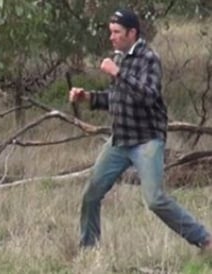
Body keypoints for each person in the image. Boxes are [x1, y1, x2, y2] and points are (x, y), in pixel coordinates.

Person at [69, 8, 211, 251]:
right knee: (91, 194)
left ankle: (204, 239)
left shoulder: (149, 58)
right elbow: (118, 98)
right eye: (110, 32)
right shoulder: (119, 57)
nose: (111, 37)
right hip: (120, 140)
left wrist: (118, 73)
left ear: (132, 33)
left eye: (116, 32)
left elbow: (148, 95)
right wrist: (88, 97)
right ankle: (88, 249)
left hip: (147, 140)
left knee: (155, 200)